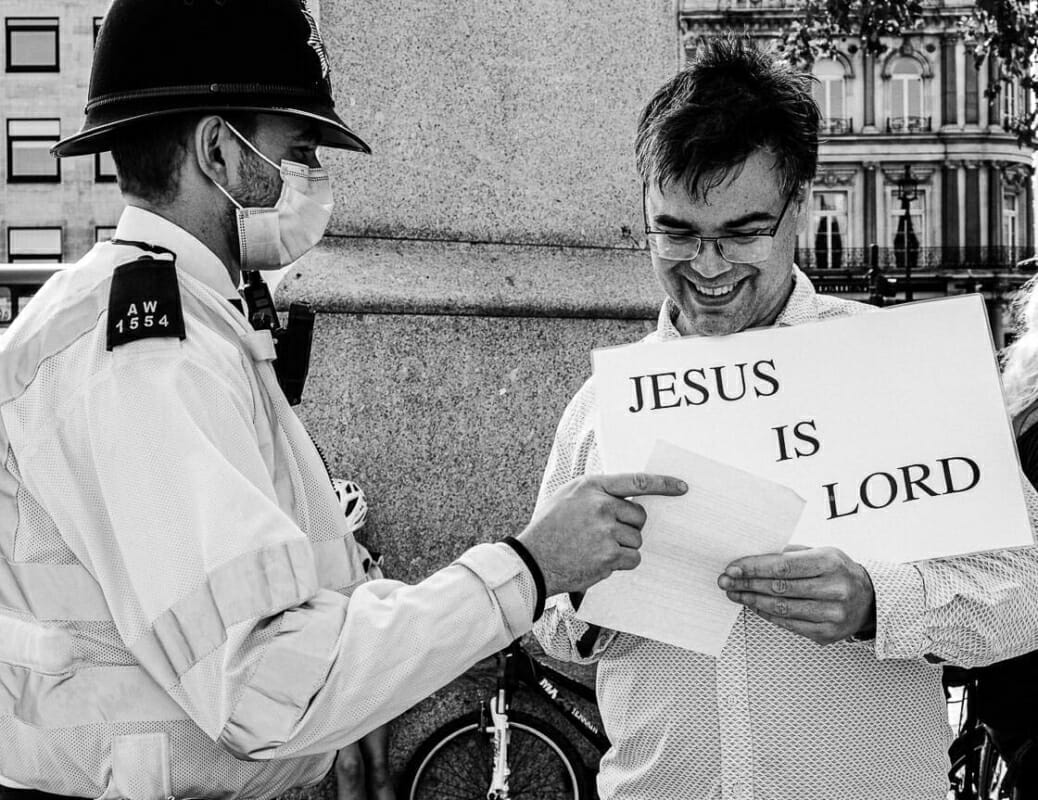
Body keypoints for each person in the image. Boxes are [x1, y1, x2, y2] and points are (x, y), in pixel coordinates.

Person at [0, 1, 686, 798]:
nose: (314, 180)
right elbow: (266, 687)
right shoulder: (149, 355)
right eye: (299, 149)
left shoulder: (183, 320)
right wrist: (527, 568)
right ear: (218, 149)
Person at [534, 36, 1038, 800]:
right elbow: (550, 626)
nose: (707, 267)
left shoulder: (900, 372)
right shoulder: (599, 407)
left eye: (743, 232)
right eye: (676, 232)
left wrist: (878, 603)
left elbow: (1028, 592)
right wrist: (575, 588)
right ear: (643, 205)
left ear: (801, 204)